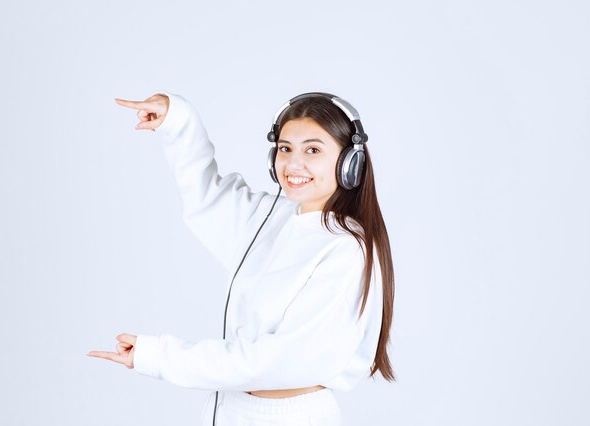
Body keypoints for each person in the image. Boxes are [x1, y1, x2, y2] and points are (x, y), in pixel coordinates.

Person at [87, 90, 396, 425]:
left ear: (349, 162)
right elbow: (208, 197)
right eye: (284, 149)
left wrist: (158, 356)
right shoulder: (273, 217)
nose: (293, 164)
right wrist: (179, 120)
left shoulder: (346, 249)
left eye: (313, 149)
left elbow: (272, 361)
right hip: (231, 410)